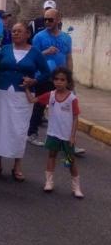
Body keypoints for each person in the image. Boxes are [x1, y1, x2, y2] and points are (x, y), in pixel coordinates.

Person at [0, 22, 49, 182]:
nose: (15, 34)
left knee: (19, 130)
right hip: (1, 94)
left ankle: (17, 164)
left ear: (28, 34)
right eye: (13, 31)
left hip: (22, 96)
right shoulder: (5, 49)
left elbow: (46, 72)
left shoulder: (35, 53)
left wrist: (34, 81)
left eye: (19, 31)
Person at [25, 67, 84, 198]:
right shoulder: (50, 95)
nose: (58, 82)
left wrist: (73, 136)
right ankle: (49, 181)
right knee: (51, 156)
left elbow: (75, 118)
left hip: (66, 136)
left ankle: (76, 187)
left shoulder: (72, 98)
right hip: (53, 134)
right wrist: (26, 88)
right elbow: (32, 100)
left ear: (68, 82)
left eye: (62, 80)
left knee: (69, 161)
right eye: (56, 79)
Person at [28, 8, 73, 147]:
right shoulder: (39, 37)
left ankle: (64, 137)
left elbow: (69, 57)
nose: (47, 22)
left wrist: (70, 77)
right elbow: (32, 57)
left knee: (64, 107)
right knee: (40, 105)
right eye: (45, 19)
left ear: (58, 19)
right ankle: (32, 133)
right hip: (44, 76)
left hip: (61, 78)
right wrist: (46, 52)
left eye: (50, 19)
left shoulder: (66, 37)